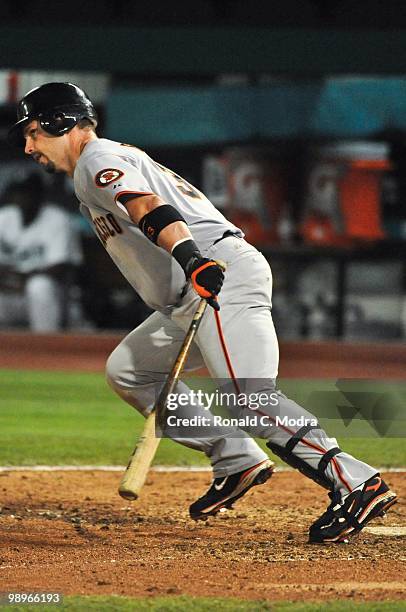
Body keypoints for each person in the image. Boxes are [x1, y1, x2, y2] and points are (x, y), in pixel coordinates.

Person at [8, 82, 397, 544]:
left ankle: (356, 482)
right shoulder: (101, 161)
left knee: (248, 397)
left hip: (216, 276)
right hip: (187, 296)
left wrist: (191, 258)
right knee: (130, 371)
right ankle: (236, 458)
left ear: (61, 123)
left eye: (33, 132)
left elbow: (148, 206)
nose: (29, 146)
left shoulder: (96, 159)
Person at [0, 172, 82, 331]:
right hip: (9, 292)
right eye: (18, 192)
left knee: (39, 286)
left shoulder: (58, 219)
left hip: (51, 297)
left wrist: (21, 278)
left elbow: (60, 268)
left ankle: (46, 345)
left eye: (27, 192)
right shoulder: (4, 217)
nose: (21, 197)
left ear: (39, 195)